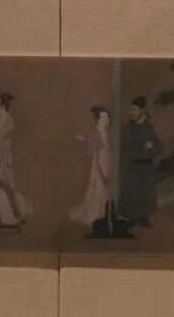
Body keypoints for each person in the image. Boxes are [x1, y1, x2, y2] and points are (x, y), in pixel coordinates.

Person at [118, 95, 160, 227]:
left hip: (147, 168)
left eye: (135, 110)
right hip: (133, 167)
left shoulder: (149, 127)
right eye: (131, 109)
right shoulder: (126, 129)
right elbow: (126, 150)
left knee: (146, 194)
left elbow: (159, 147)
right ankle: (131, 218)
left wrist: (152, 147)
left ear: (142, 111)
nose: (132, 112)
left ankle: (145, 218)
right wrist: (143, 150)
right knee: (132, 193)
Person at [0, 92, 32, 223]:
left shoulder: (10, 121)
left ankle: (13, 213)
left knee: (7, 184)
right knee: (1, 185)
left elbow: (6, 142)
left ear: (3, 106)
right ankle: (4, 213)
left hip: (5, 157)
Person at [69, 105, 111, 226]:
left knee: (102, 192)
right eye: (103, 117)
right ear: (97, 120)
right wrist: (83, 141)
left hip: (105, 163)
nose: (106, 120)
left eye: (107, 117)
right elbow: (90, 148)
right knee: (97, 190)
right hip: (98, 166)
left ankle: (101, 214)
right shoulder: (97, 133)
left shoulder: (105, 133)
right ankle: (93, 215)